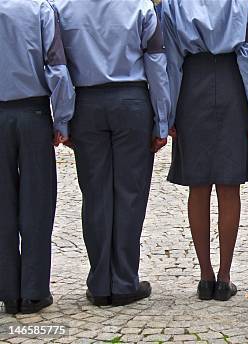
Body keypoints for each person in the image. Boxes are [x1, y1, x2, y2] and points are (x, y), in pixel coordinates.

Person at [54, 0, 170, 306]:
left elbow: (59, 68)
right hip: (131, 102)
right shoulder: (141, 7)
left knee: (95, 194)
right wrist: (161, 119)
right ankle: (124, 280)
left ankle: (100, 281)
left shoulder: (62, 8)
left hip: (87, 105)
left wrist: (63, 118)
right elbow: (156, 65)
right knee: (130, 195)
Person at [162, 0, 248, 301]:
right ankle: (224, 277)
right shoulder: (243, 3)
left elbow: (170, 61)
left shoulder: (173, 4)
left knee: (198, 184)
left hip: (192, 84)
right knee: (229, 183)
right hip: (233, 82)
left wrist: (167, 115)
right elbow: (247, 57)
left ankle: (204, 276)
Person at [0, 0, 75, 315]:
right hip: (32, 112)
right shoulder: (41, 10)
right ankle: (33, 291)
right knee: (37, 202)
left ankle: (7, 289)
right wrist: (63, 119)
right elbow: (56, 67)